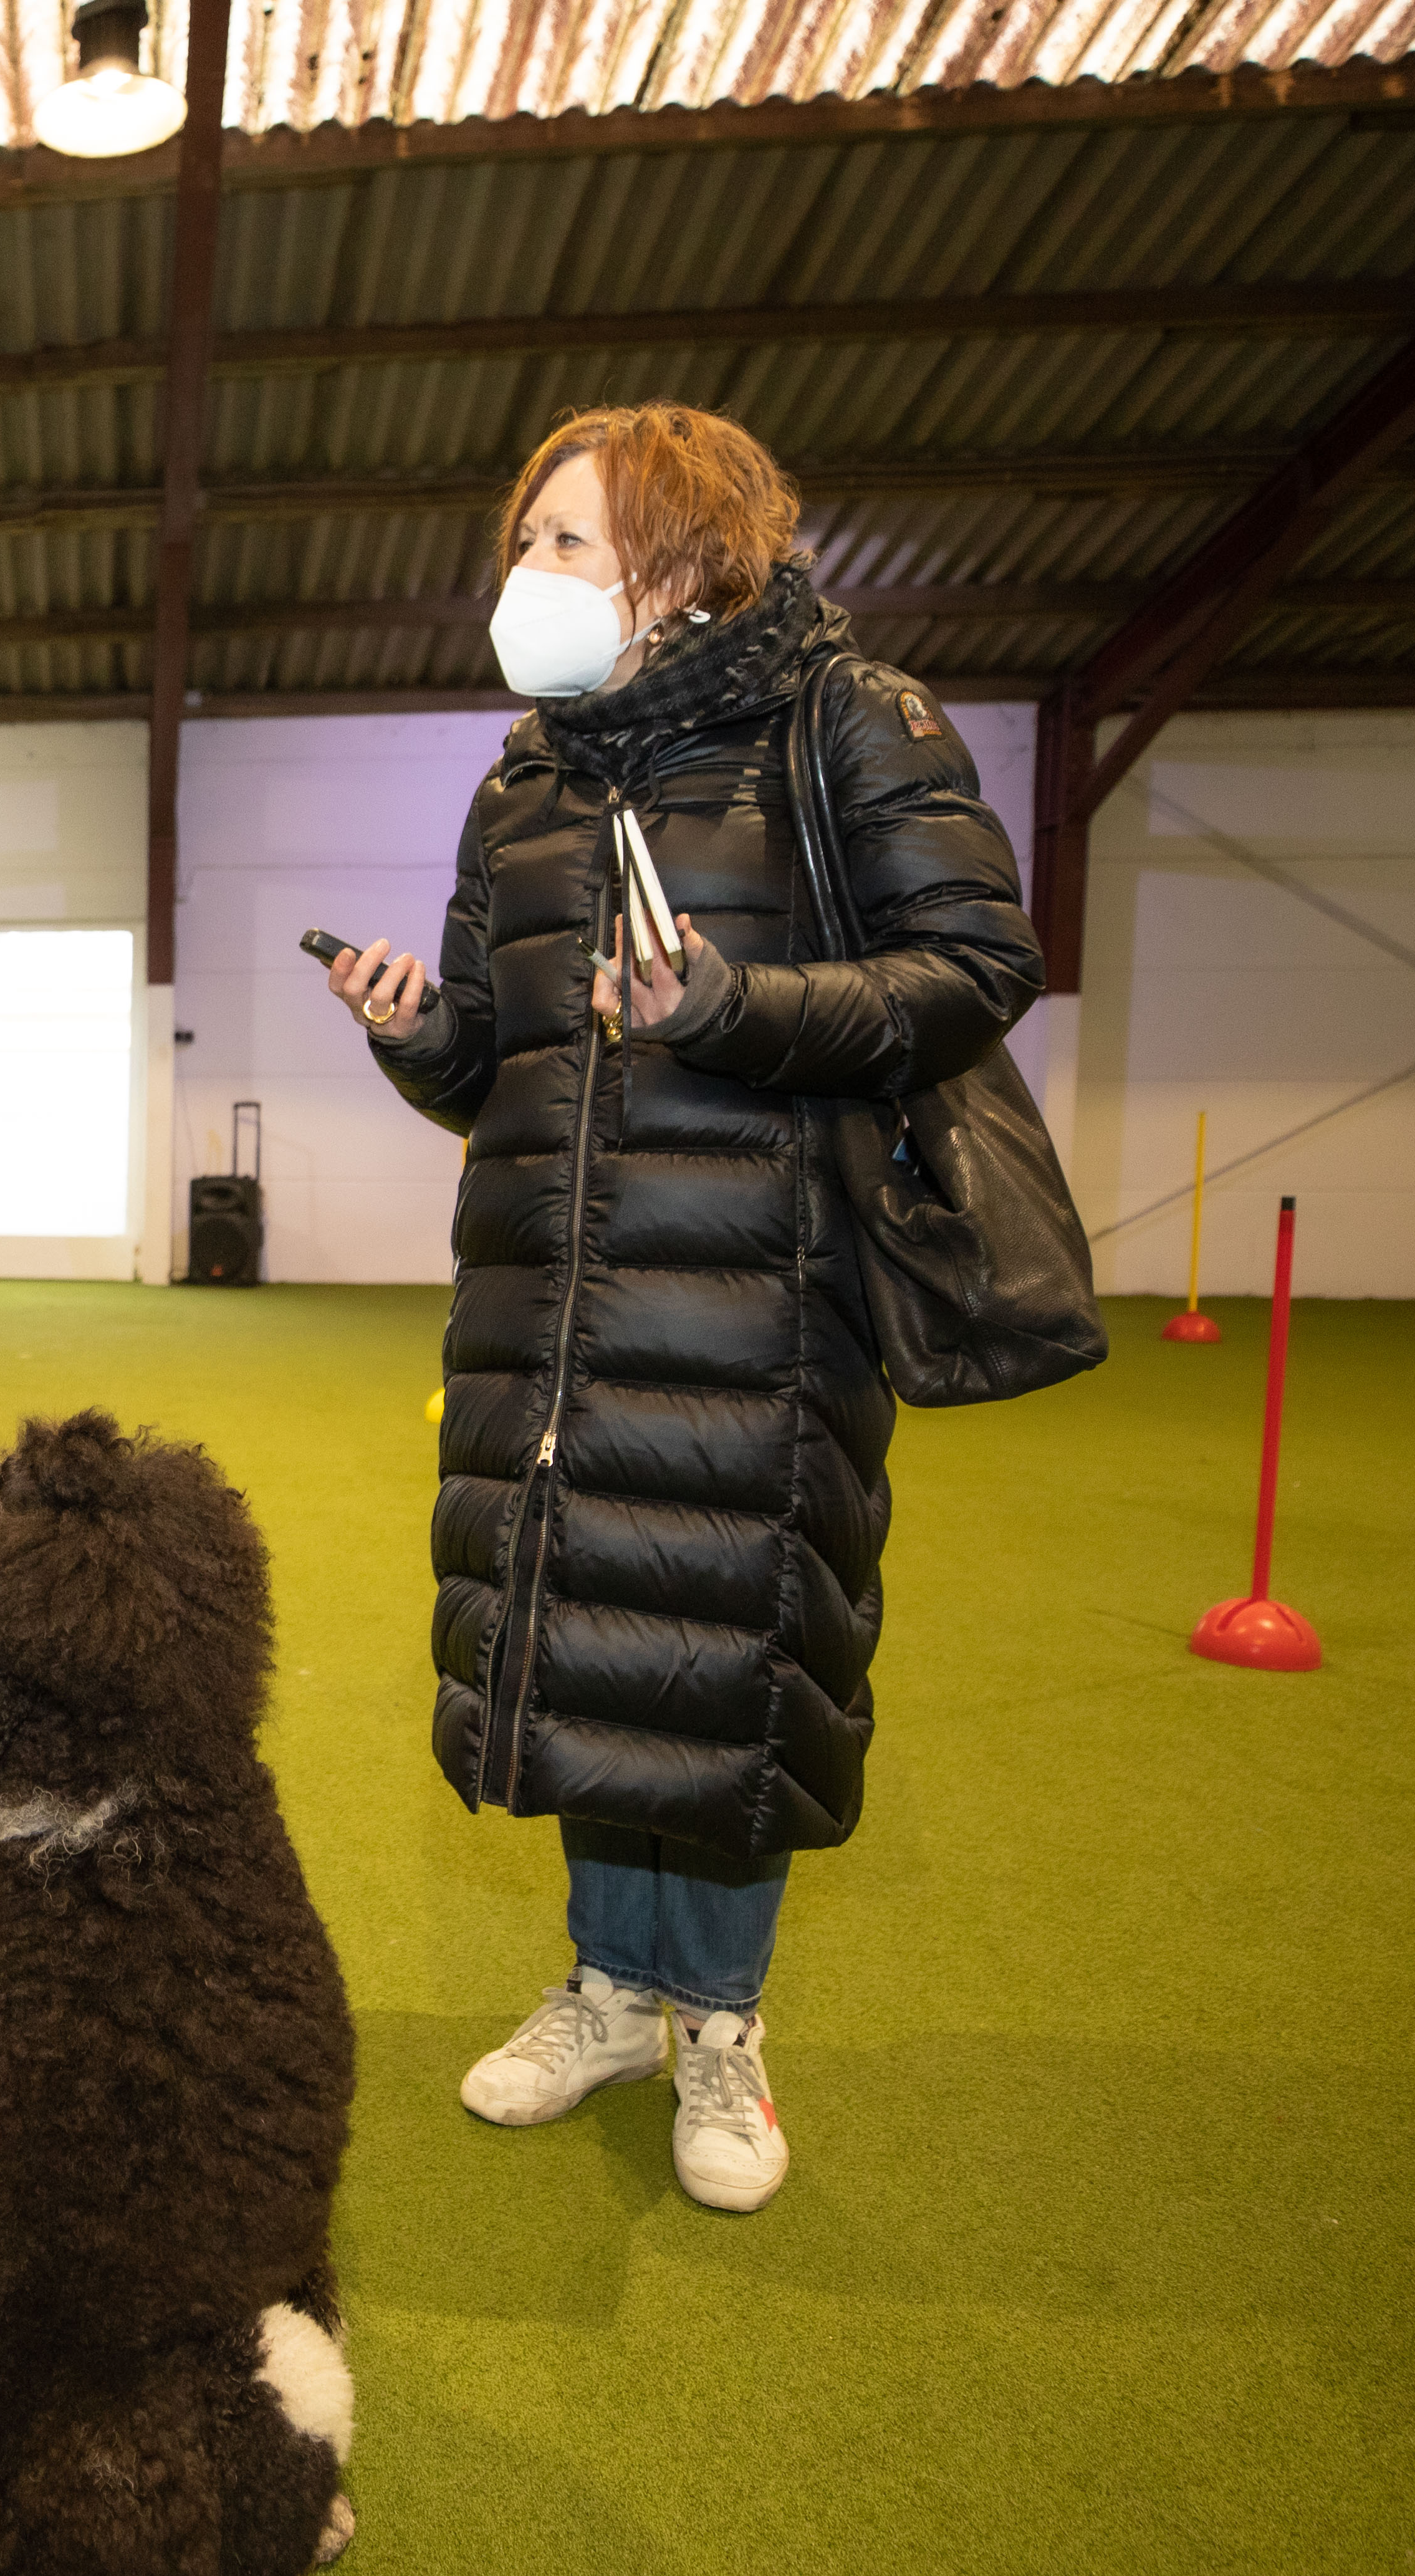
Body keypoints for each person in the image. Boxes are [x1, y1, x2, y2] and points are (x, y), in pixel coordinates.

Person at [325, 401, 1042, 2214]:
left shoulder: (847, 722)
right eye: (528, 537)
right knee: (581, 1640)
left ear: (685, 554)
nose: (530, 573)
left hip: (764, 1300)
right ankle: (608, 1991)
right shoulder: (531, 780)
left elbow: (976, 967)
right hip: (551, 1301)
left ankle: (721, 2020)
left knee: (723, 1660)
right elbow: (503, 1059)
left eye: (567, 539)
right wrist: (423, 1029)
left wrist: (734, 1009)